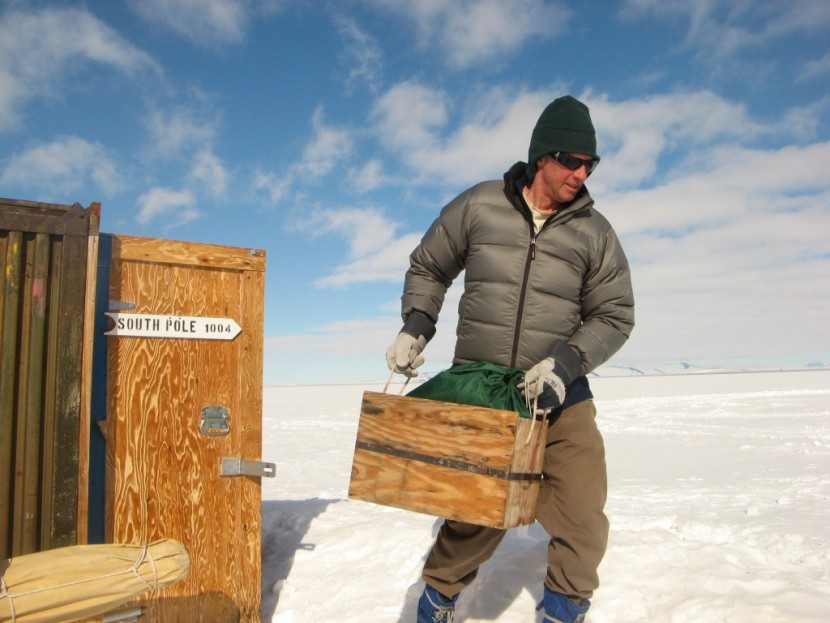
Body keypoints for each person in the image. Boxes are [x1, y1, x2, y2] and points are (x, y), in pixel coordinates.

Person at [385, 95, 635, 623]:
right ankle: (437, 601)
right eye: (571, 160)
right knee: (474, 514)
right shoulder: (479, 205)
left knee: (582, 516)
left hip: (562, 394)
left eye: (590, 164)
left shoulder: (595, 232)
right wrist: (416, 324)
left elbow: (614, 314)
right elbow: (429, 266)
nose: (582, 173)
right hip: (486, 388)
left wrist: (566, 364)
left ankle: (563, 611)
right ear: (542, 156)